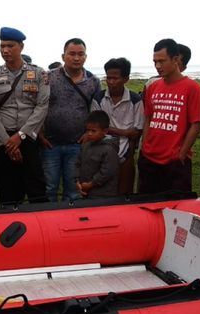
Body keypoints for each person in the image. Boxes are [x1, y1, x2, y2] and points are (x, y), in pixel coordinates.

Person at [0, 27, 49, 204]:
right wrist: (8, 142)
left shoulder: (38, 74)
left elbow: (42, 106)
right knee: (8, 193)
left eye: (10, 46)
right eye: (2, 46)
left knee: (37, 191)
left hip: (28, 139)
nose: (5, 50)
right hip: (3, 141)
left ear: (21, 46)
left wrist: (20, 136)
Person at [138, 39, 200, 194]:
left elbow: (196, 124)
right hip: (149, 157)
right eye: (155, 62)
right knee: (147, 203)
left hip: (174, 160)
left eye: (162, 61)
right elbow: (149, 118)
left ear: (175, 60)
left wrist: (182, 154)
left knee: (176, 207)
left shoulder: (192, 88)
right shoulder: (153, 86)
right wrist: (144, 148)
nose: (158, 66)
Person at [41, 38, 101, 202]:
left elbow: (95, 111)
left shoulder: (93, 81)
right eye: (72, 54)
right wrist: (40, 134)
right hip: (50, 144)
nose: (76, 58)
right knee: (49, 187)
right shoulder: (48, 78)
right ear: (63, 56)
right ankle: (49, 223)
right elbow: (38, 107)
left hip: (77, 144)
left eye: (80, 54)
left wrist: (88, 134)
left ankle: (71, 222)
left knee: (73, 188)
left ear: (85, 57)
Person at [91, 57, 144, 195]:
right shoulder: (98, 98)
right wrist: (125, 132)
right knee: (103, 190)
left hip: (127, 152)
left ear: (126, 79)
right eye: (108, 78)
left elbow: (136, 132)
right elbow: (95, 129)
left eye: (115, 78)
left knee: (124, 192)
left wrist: (108, 129)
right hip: (102, 151)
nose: (111, 82)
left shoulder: (135, 100)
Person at [76, 111, 119, 199]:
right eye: (88, 130)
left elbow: (106, 173)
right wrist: (77, 181)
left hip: (103, 195)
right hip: (85, 192)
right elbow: (78, 163)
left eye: (93, 131)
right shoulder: (85, 145)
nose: (90, 133)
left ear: (105, 131)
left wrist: (91, 184)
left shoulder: (109, 149)